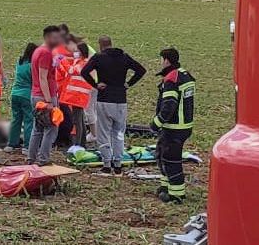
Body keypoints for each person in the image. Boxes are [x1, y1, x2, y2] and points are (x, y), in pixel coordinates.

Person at [80, 36, 146, 175]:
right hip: (121, 100)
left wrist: (96, 85)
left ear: (100, 45)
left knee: (103, 133)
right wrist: (128, 84)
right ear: (111, 44)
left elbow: (84, 72)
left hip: (104, 99)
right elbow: (141, 70)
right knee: (119, 133)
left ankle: (106, 164)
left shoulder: (98, 57)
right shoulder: (124, 56)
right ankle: (118, 164)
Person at [153, 47, 197, 203]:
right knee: (162, 155)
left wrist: (155, 123)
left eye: (161, 59)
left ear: (166, 60)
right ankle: (166, 186)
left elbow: (169, 106)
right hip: (185, 125)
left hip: (174, 128)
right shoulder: (184, 75)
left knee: (171, 160)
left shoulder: (172, 80)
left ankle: (176, 195)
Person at [27, 26, 64, 165]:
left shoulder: (38, 51)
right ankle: (43, 159)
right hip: (44, 96)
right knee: (51, 128)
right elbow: (43, 77)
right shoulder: (46, 53)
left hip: (35, 94)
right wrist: (49, 100)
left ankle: (31, 158)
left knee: (38, 128)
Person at [57, 42, 94, 147]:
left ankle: (78, 145)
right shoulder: (79, 61)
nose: (75, 53)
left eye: (77, 51)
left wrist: (62, 60)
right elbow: (68, 73)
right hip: (76, 96)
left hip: (78, 96)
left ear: (82, 52)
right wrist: (60, 66)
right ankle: (82, 142)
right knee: (80, 119)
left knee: (77, 121)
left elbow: (71, 70)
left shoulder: (85, 63)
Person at [6, 42, 37, 152]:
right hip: (26, 95)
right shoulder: (32, 65)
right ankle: (27, 146)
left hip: (15, 93)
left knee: (16, 120)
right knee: (29, 120)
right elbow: (35, 81)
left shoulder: (20, 61)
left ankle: (11, 144)